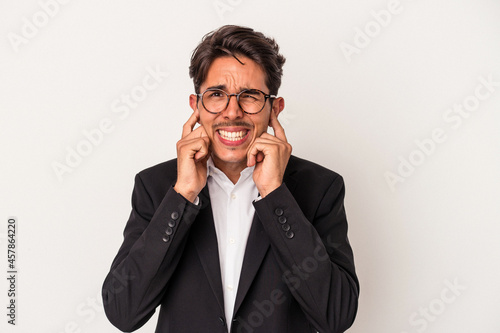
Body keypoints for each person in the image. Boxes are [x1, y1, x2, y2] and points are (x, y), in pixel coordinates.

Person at [102, 25, 359, 333]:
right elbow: (123, 311)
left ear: (274, 109)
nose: (232, 112)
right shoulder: (156, 187)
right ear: (196, 106)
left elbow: (336, 316)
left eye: (249, 96)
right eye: (216, 95)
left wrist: (276, 195)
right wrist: (182, 196)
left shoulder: (320, 189)